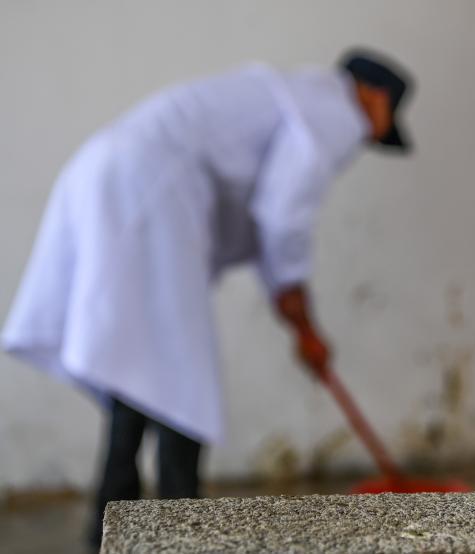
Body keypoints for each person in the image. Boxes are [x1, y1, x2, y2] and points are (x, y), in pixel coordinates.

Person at [1, 48, 413, 546]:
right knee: (179, 374)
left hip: (110, 172)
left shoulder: (293, 94)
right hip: (149, 189)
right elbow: (281, 216)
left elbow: (268, 223)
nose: (371, 136)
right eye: (383, 122)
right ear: (375, 95)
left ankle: (107, 532)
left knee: (139, 370)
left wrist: (297, 318)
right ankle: (182, 529)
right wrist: (304, 326)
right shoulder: (337, 110)